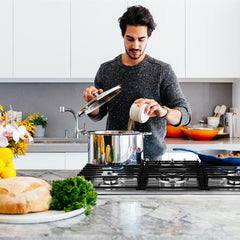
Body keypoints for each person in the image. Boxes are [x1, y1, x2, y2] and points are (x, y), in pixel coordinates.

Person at [83, 5, 191, 160]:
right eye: (130, 39)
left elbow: (185, 114)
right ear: (122, 35)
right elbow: (99, 113)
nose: (135, 46)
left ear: (148, 37)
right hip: (114, 157)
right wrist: (91, 104)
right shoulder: (106, 69)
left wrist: (163, 111)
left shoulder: (162, 70)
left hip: (151, 160)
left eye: (141, 39)